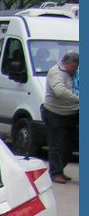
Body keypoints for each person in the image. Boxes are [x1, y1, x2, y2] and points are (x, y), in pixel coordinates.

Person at [43, 51, 78, 183]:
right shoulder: (56, 73)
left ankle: (60, 169)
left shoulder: (74, 74)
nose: (76, 69)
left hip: (71, 114)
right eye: (74, 67)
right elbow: (59, 91)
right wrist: (78, 99)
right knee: (56, 146)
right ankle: (55, 173)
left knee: (69, 146)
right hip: (55, 114)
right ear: (66, 63)